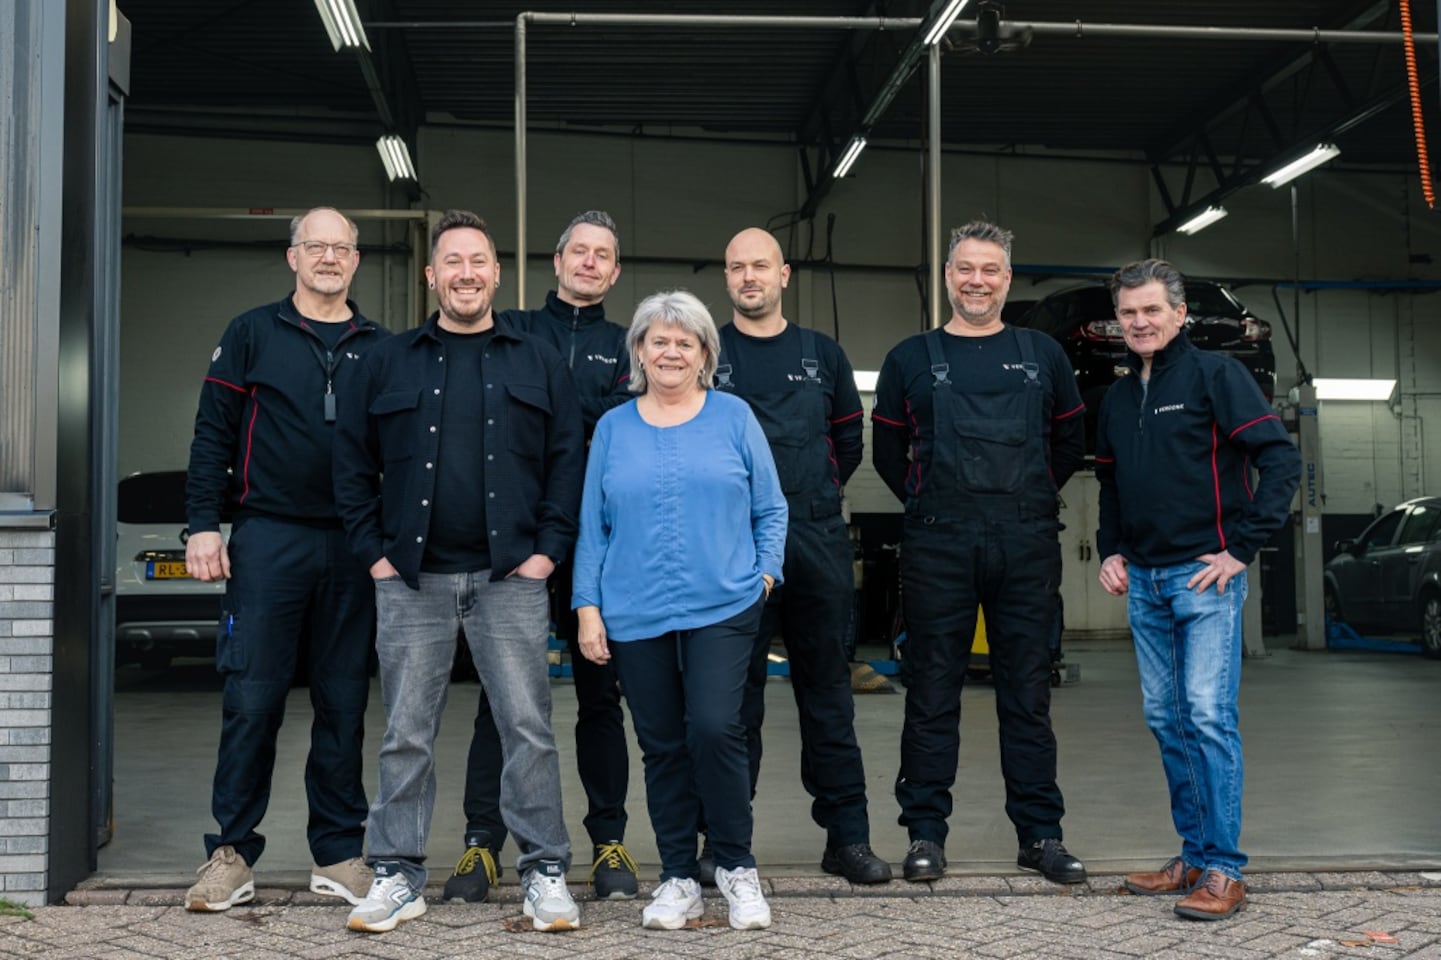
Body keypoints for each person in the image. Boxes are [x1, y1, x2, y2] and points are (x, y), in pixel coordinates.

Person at [332, 210, 585, 934]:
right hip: (412, 581)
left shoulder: (538, 359)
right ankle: (397, 873)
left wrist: (546, 553)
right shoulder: (387, 361)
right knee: (406, 733)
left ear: (497, 274)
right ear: (431, 274)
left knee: (527, 729)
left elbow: (567, 459)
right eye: (453, 261)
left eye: (478, 261)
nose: (466, 274)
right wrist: (376, 555)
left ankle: (543, 871)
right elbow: (350, 464)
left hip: (511, 579)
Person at [871, 220, 1087, 886]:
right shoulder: (910, 357)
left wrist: (1023, 501)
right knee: (931, 691)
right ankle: (925, 835)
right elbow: (886, 454)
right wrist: (936, 507)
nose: (976, 281)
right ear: (947, 276)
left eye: (990, 269)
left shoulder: (1043, 354)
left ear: (1007, 279)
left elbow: (1068, 444)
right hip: (939, 543)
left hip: (1025, 542)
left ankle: (1040, 835)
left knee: (1027, 694)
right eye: (965, 268)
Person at [182, 207, 385, 913]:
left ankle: (338, 852)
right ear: (292, 256)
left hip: (354, 544)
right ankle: (232, 853)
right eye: (315, 245)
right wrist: (202, 525)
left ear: (355, 260)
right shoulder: (251, 333)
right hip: (268, 538)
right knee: (252, 700)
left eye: (341, 247)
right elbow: (212, 435)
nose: (329, 257)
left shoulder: (379, 347)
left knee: (344, 703)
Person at [572, 290, 787, 931]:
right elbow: (593, 526)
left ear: (703, 355)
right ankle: (677, 877)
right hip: (634, 608)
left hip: (724, 602)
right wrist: (588, 607)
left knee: (717, 728)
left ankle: (736, 866)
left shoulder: (734, 416)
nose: (671, 352)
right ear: (639, 351)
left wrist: (765, 574)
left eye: (684, 342)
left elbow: (771, 506)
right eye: (658, 341)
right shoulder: (613, 428)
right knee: (661, 744)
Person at [1096, 258, 1299, 921]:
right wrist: (1110, 549)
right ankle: (1192, 855)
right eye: (1129, 312)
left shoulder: (1217, 376)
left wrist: (1242, 548)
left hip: (1203, 579)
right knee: (1167, 720)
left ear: (1179, 314)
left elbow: (1280, 459)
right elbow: (1110, 483)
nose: (1140, 322)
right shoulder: (1117, 397)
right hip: (1145, 581)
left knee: (1207, 716)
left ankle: (1224, 870)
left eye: (1152, 309)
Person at [446, 211, 637, 904]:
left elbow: (629, 433)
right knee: (501, 701)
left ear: (614, 272)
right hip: (520, 544)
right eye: (577, 251)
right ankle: (482, 842)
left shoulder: (629, 345)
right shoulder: (513, 331)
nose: (588, 262)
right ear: (555, 263)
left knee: (600, 697)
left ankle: (608, 840)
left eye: (602, 255)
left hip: (600, 545)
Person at [710, 227, 890, 885]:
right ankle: (724, 847)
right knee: (733, 704)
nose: (748, 277)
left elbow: (848, 442)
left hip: (813, 536)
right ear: (726, 277)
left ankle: (847, 840)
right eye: (737, 267)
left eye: (760, 265)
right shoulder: (707, 351)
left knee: (828, 694)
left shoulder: (822, 354)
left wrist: (806, 498)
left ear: (783, 274)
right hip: (731, 542)